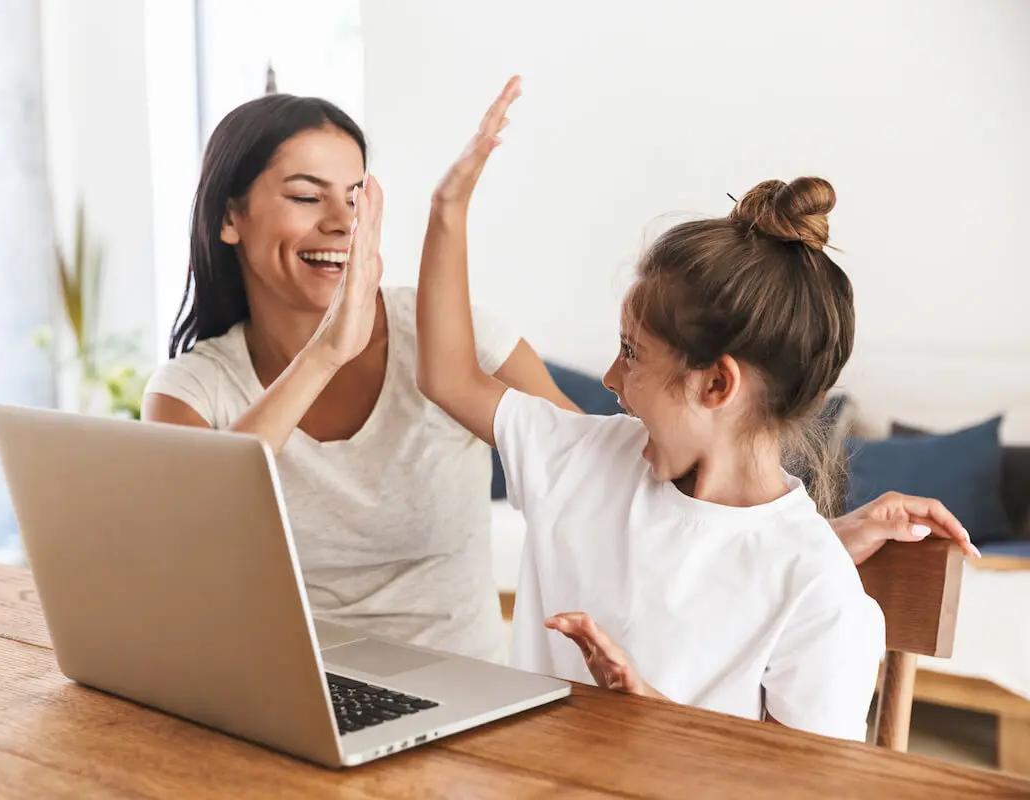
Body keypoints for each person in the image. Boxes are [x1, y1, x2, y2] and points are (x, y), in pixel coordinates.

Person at [142, 91, 978, 668]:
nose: (340, 221)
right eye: (304, 194)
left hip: (462, 696)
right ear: (229, 216)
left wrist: (804, 548)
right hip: (290, 697)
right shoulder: (193, 388)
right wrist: (331, 347)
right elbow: (186, 546)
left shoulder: (482, 368)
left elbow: (629, 502)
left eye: (358, 195)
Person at [413, 76, 970, 741]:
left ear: (716, 385)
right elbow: (448, 375)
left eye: (632, 353)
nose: (613, 379)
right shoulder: (584, 461)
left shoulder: (815, 588)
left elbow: (801, 789)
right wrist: (447, 209)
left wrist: (656, 721)